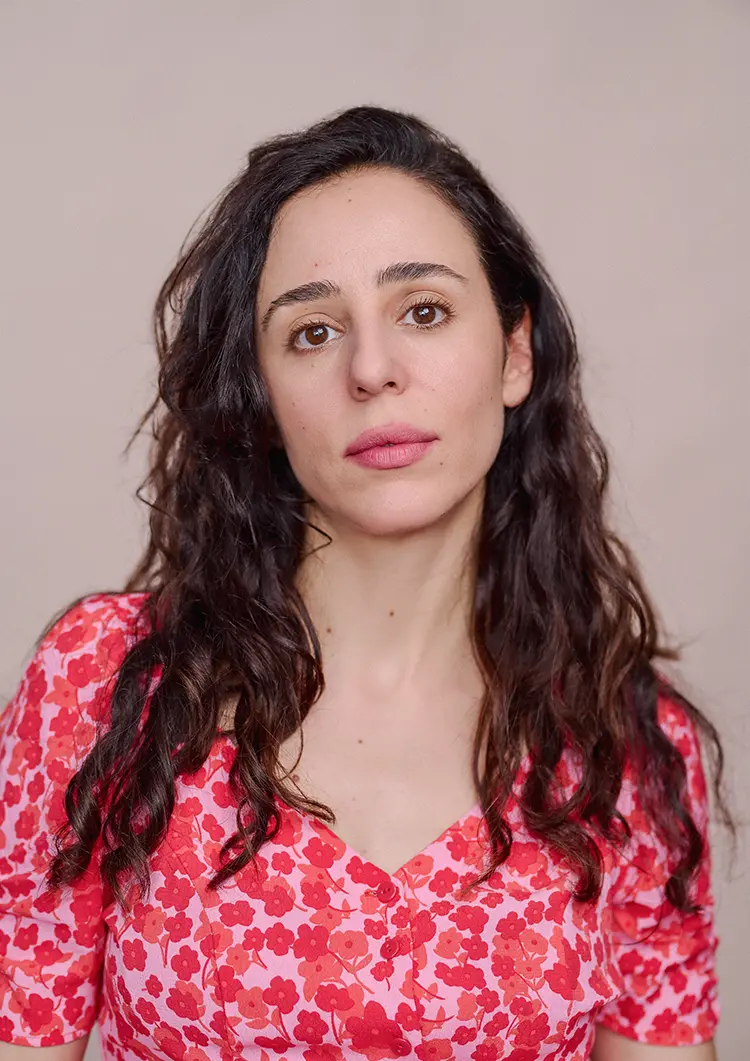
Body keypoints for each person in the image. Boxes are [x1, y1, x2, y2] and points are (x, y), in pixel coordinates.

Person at [0, 105, 734, 1061]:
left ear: (515, 353)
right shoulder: (105, 688)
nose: (373, 370)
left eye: (423, 311)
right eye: (311, 332)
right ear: (260, 398)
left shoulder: (625, 745)